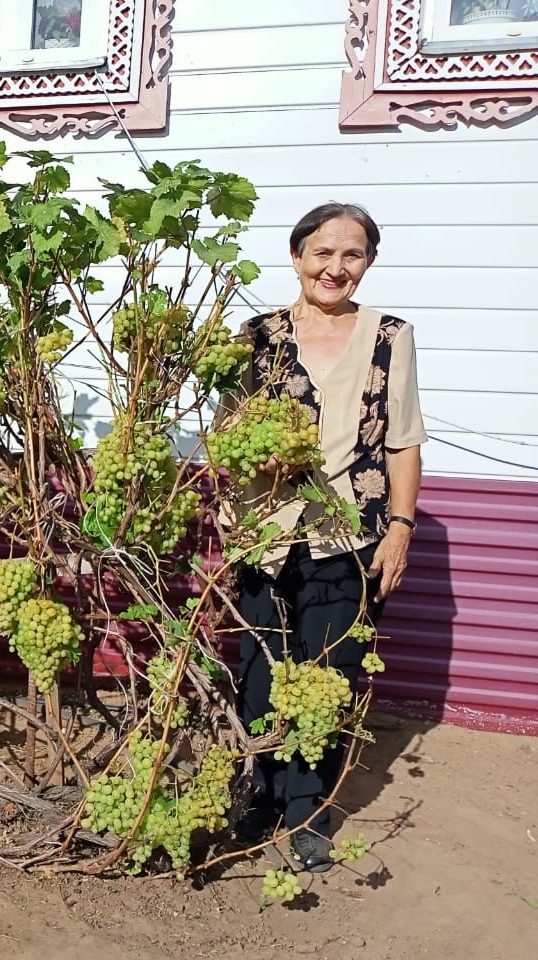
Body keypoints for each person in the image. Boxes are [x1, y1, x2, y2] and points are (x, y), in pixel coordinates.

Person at [228, 203, 427, 872]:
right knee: (258, 672)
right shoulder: (254, 336)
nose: (335, 267)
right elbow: (227, 440)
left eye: (352, 255)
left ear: (368, 264)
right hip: (264, 535)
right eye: (322, 252)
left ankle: (307, 809)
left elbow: (403, 443)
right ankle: (260, 792)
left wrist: (400, 531)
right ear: (296, 257)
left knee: (330, 677)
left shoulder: (390, 336)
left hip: (350, 536)